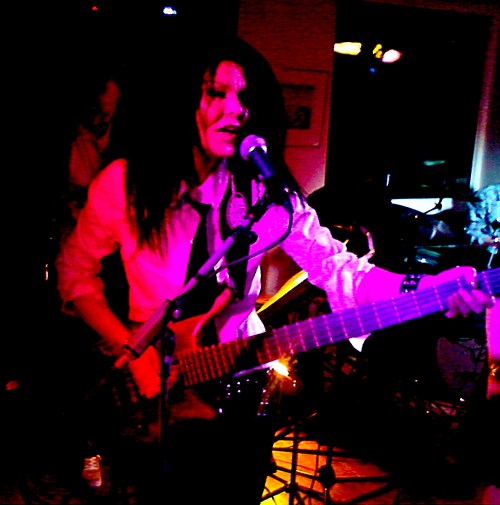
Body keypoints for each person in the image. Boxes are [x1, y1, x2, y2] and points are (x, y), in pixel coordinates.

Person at [54, 36, 496, 505]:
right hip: (152, 376)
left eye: (245, 97)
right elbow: (74, 273)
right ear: (182, 100)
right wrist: (131, 350)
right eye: (216, 93)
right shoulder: (125, 184)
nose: (236, 109)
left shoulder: (265, 194)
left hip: (243, 376)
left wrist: (423, 287)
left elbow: (338, 269)